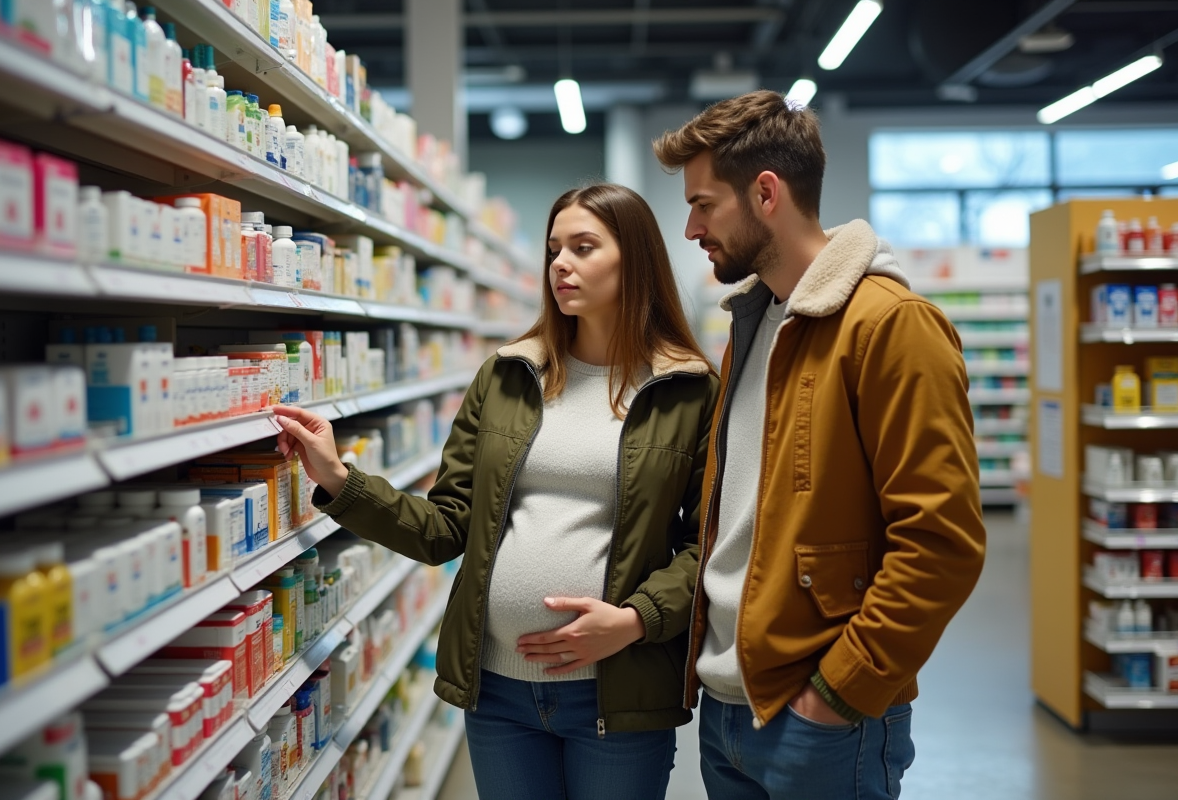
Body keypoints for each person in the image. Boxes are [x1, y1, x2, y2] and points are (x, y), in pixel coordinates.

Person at [271, 183, 719, 800]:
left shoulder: (688, 390)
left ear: (635, 259)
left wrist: (634, 621)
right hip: (499, 692)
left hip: (616, 692)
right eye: (554, 248)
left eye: (584, 247)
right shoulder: (509, 375)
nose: (561, 263)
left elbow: (709, 543)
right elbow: (446, 526)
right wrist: (338, 479)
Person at [652, 90, 987, 799]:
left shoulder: (891, 325)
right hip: (729, 708)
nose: (690, 228)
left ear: (766, 193)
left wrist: (839, 692)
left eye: (704, 204)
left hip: (821, 716)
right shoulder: (755, 323)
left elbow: (943, 542)